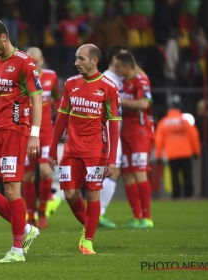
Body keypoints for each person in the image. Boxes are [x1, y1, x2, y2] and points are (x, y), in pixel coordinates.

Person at [0, 18, 43, 263]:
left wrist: (34, 134)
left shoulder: (25, 63)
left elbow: (37, 99)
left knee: (12, 189)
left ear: (3, 37)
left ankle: (17, 250)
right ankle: (25, 229)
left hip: (16, 131)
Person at [48, 44, 121, 255]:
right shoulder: (70, 84)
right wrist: (53, 150)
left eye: (80, 59)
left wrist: (112, 158)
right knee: (70, 194)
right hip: (71, 149)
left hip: (96, 151)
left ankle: (88, 240)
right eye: (75, 59)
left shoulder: (109, 87)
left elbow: (114, 125)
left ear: (94, 61)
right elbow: (61, 117)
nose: (75, 63)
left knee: (93, 195)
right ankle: (88, 223)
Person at [23, 47, 61, 229]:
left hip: (46, 131)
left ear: (42, 60)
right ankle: (30, 213)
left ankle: (43, 210)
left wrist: (64, 123)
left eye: (36, 61)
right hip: (25, 132)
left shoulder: (51, 77)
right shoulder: (21, 78)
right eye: (30, 61)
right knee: (28, 175)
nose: (34, 64)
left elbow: (57, 100)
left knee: (46, 171)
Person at [114, 52, 154, 229]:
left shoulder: (141, 81)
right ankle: (136, 216)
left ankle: (147, 217)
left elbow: (144, 104)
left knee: (139, 173)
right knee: (128, 174)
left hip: (140, 132)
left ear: (127, 66)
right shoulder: (123, 82)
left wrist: (119, 101)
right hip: (126, 132)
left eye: (118, 66)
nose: (116, 69)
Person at [98, 44, 129, 228]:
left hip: (115, 130)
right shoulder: (108, 79)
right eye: (124, 57)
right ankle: (98, 213)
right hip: (109, 130)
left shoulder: (120, 79)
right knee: (112, 169)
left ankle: (97, 212)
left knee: (113, 171)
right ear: (115, 59)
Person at [155, 102, 201, 199]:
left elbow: (158, 141)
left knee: (174, 175)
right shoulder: (184, 121)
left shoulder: (164, 122)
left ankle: (176, 194)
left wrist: (158, 156)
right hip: (186, 153)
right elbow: (194, 136)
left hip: (172, 153)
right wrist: (196, 151)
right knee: (187, 175)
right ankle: (188, 194)